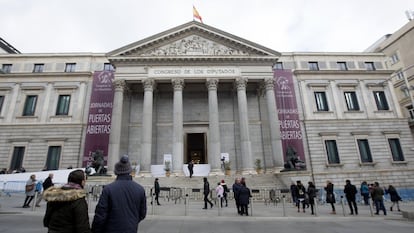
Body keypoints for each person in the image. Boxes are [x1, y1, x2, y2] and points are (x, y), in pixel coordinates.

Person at [92, 155, 147, 233]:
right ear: (129, 171)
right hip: (131, 229)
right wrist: (132, 221)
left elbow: (100, 214)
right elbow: (142, 213)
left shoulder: (108, 189)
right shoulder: (140, 189)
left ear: (116, 171)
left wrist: (95, 230)